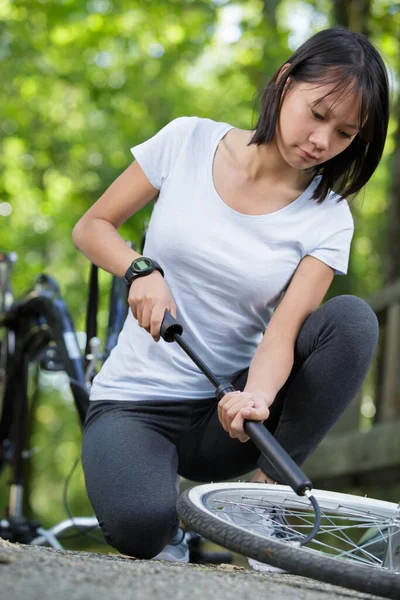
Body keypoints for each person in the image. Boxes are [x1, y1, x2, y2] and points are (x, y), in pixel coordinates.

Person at [72, 26, 389, 569]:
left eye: (344, 133)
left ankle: (268, 501)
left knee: (353, 322)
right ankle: (174, 530)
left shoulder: (328, 217)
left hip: (231, 413)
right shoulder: (187, 141)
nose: (322, 141)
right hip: (135, 403)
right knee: (141, 527)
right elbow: (93, 225)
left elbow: (283, 333)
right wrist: (140, 267)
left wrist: (257, 398)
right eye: (317, 114)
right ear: (286, 81)